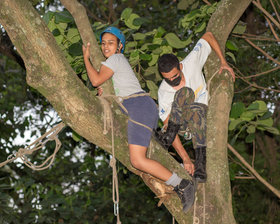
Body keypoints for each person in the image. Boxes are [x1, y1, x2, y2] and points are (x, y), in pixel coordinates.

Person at [82, 26, 196, 213]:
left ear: (120, 46)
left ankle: (182, 184)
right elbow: (106, 88)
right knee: (138, 159)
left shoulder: (116, 59)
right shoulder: (114, 65)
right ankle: (175, 176)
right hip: (139, 109)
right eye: (103, 43)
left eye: (111, 43)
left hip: (139, 107)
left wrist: (86, 58)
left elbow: (95, 80)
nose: (106, 47)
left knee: (137, 160)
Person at [155, 31, 235, 183]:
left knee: (194, 104)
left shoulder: (191, 62)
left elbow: (209, 35)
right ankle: (167, 139)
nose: (173, 81)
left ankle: (200, 165)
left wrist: (223, 62)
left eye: (175, 76)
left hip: (200, 116)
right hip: (180, 125)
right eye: (168, 79)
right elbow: (167, 122)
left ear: (180, 66)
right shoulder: (163, 91)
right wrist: (185, 158)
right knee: (184, 93)